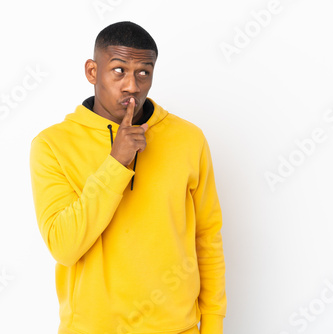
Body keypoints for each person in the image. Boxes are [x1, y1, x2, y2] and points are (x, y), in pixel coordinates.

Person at [29, 21, 226, 334]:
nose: (132, 85)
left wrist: (213, 324)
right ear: (93, 72)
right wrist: (116, 163)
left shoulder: (188, 139)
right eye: (119, 70)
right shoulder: (53, 145)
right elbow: (64, 247)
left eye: (143, 72)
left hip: (178, 328)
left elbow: (207, 237)